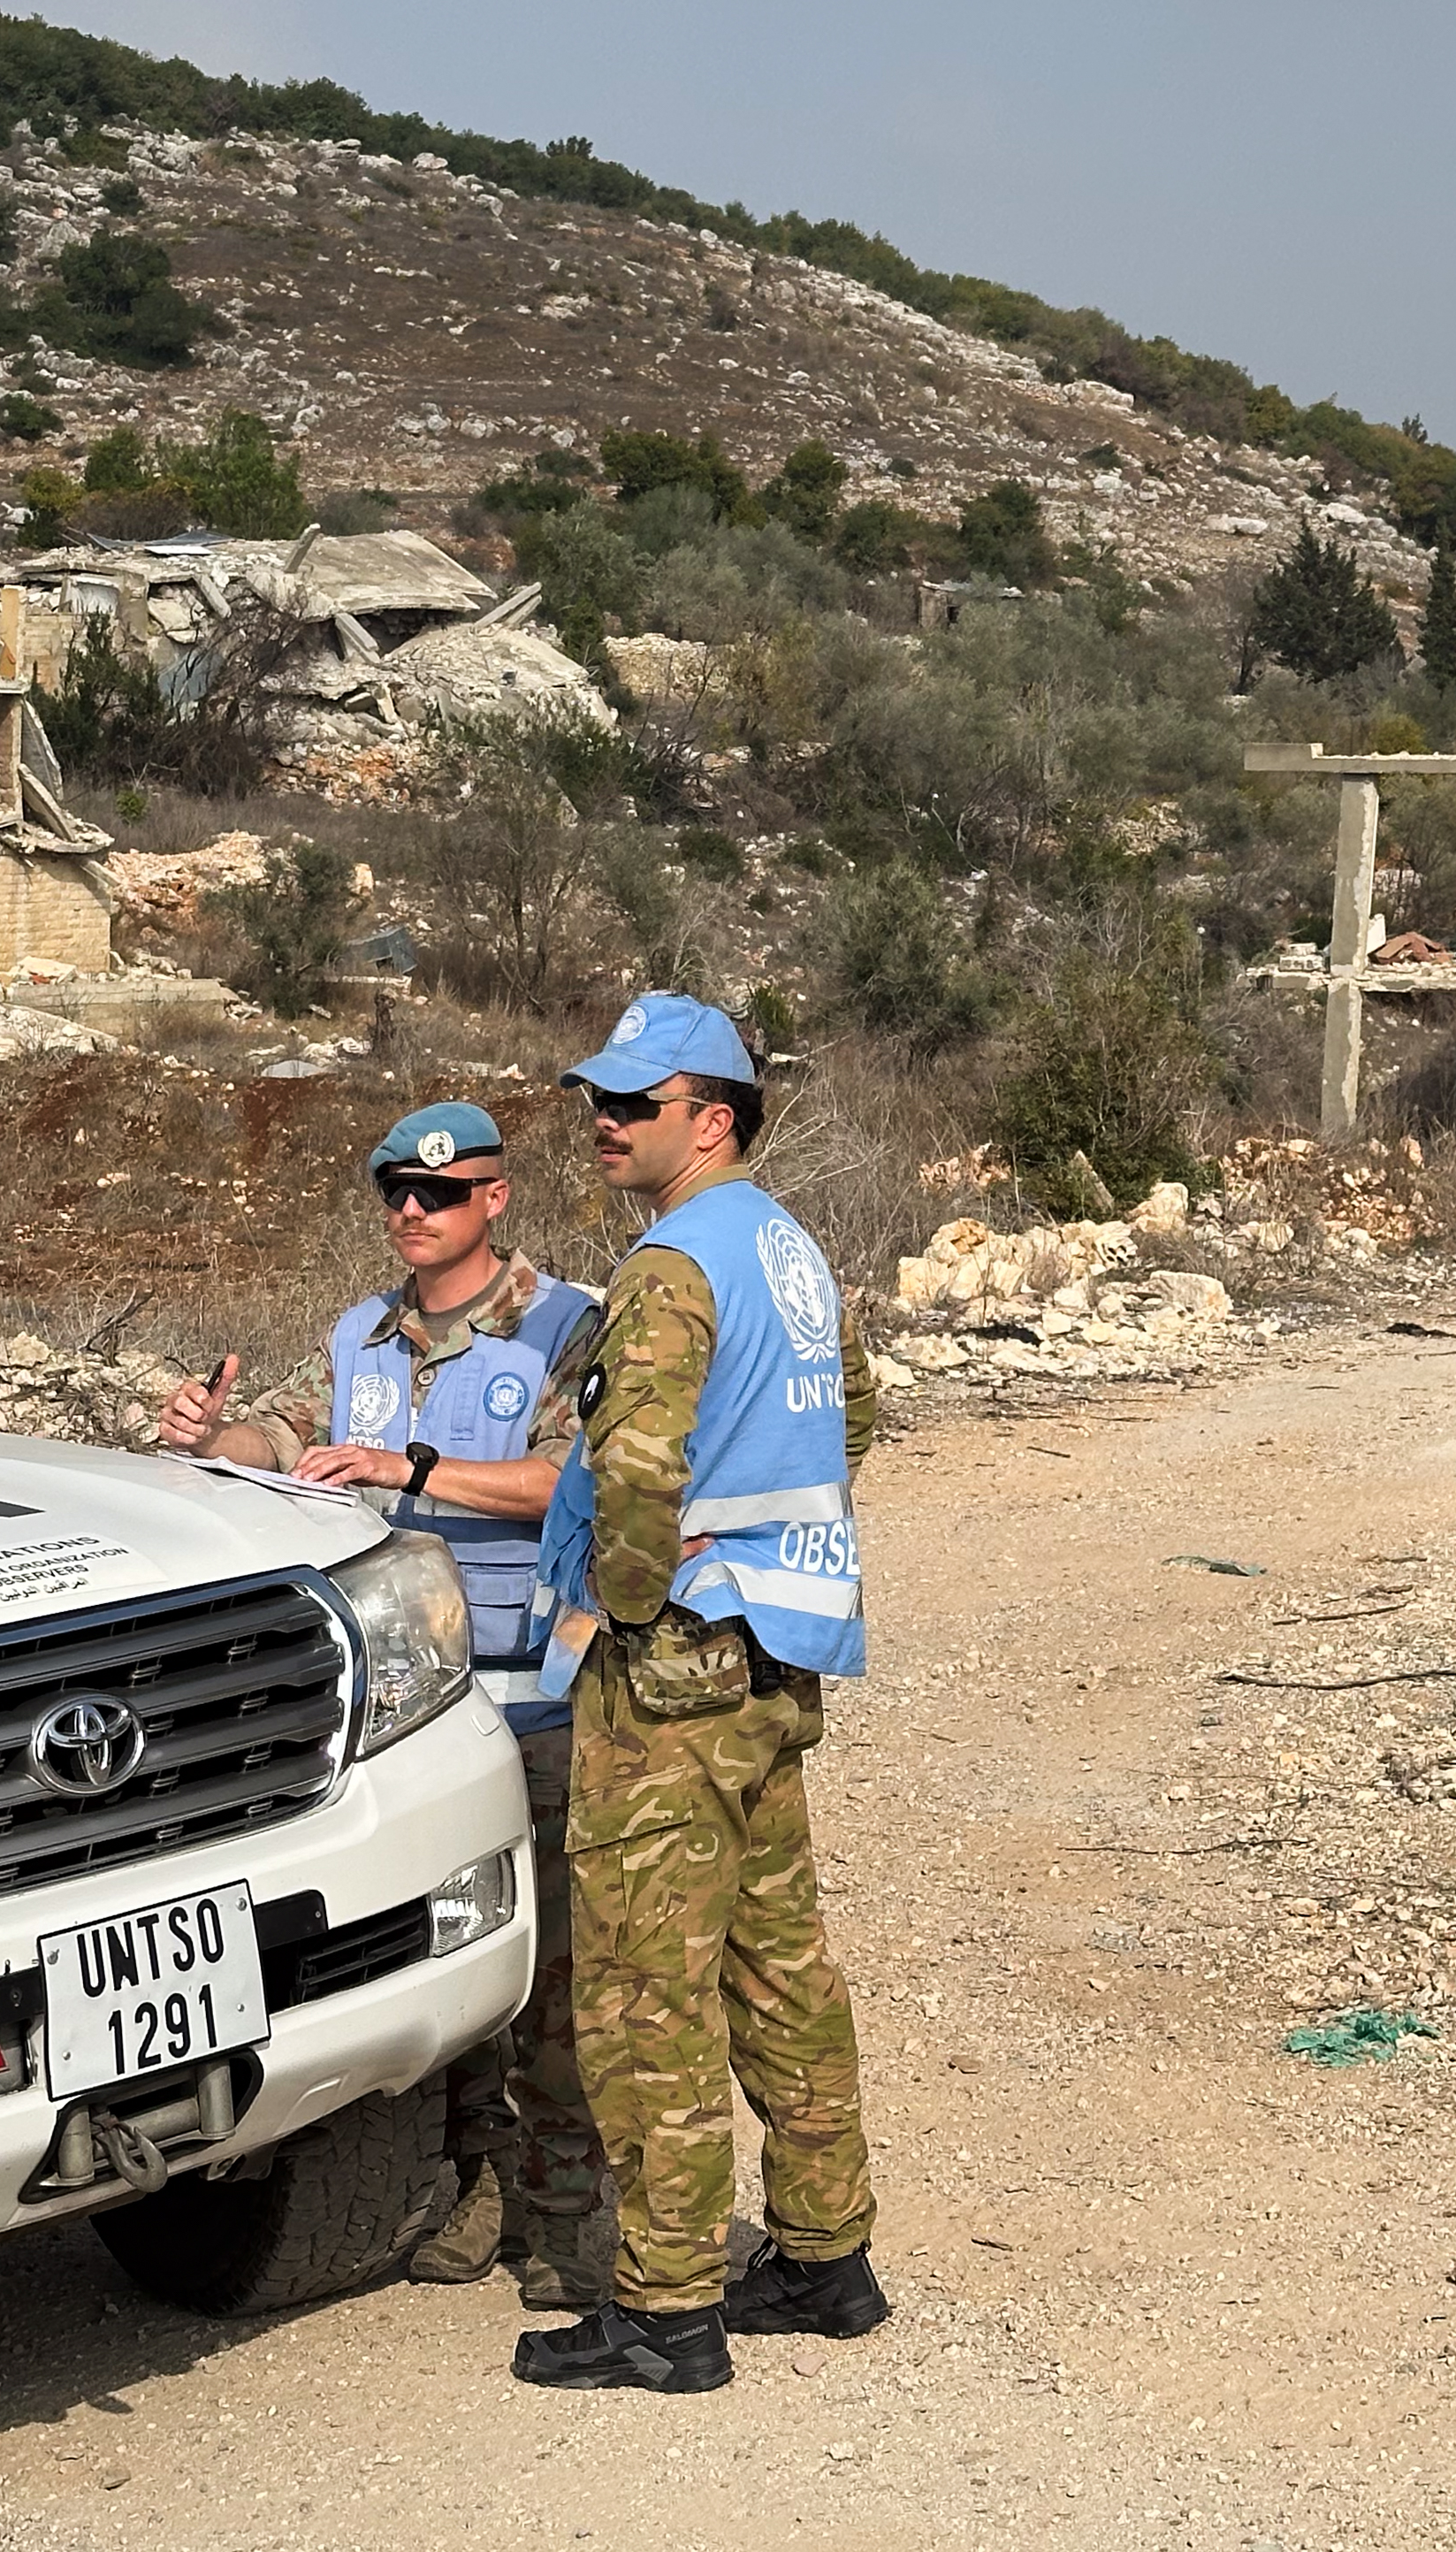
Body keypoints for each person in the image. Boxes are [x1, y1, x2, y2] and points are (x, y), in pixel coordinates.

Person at [158, 1098, 609, 2304]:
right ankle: (469, 2183)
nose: (415, 1210)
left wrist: (410, 1468)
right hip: (405, 1716)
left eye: (442, 1192)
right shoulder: (363, 1334)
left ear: (496, 1199)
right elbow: (288, 1428)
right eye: (397, 1191)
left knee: (556, 1976)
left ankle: (564, 2213)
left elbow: (579, 1480)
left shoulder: (565, 1326)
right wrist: (221, 1435)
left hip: (540, 1696)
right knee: (441, 1961)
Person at [511, 993, 882, 2398]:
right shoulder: (791, 1248)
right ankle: (824, 2255)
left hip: (676, 1674)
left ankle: (666, 2307)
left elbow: (640, 1466)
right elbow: (858, 1419)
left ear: (709, 1117)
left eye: (632, 1106)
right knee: (775, 1958)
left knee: (641, 1984)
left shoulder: (672, 1263)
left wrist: (630, 1596)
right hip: (778, 1653)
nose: (603, 1126)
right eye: (598, 1102)